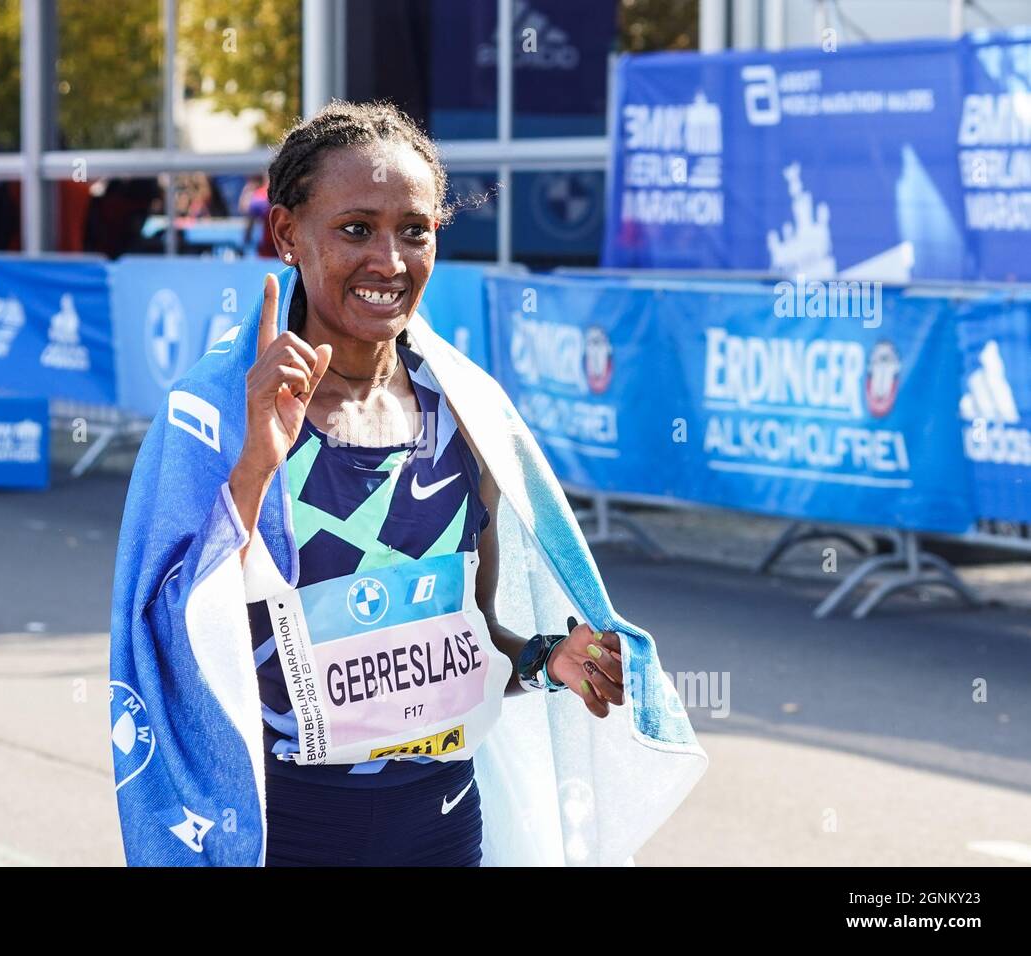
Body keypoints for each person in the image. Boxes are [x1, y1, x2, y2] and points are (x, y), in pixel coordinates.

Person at [109, 100, 706, 868]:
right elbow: (163, 643)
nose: (389, 260)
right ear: (288, 233)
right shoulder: (214, 415)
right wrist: (258, 463)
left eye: (414, 230)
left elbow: (468, 637)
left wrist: (545, 660)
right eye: (356, 228)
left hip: (443, 825)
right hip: (283, 832)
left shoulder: (470, 415)